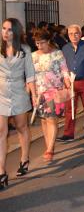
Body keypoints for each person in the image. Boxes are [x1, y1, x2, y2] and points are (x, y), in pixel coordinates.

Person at [0, 18, 37, 187]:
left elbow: (29, 74)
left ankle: (24, 159)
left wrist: (34, 95)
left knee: (22, 128)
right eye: (3, 29)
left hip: (19, 92)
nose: (5, 32)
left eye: (9, 29)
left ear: (16, 31)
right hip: (1, 93)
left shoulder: (25, 50)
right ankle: (1, 171)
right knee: (1, 132)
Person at [31, 29, 70, 162]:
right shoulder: (33, 56)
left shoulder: (57, 54)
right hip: (39, 92)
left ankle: (50, 149)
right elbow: (31, 76)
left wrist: (68, 82)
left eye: (42, 43)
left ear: (48, 41)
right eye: (37, 43)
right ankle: (49, 146)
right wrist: (32, 92)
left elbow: (65, 70)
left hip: (54, 91)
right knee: (43, 120)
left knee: (52, 119)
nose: (39, 46)